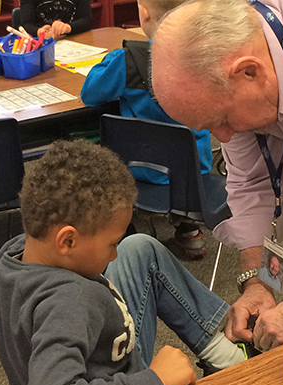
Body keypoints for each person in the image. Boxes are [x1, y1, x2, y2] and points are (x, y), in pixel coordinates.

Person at [0, 139, 248, 385]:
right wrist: (155, 382)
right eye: (111, 244)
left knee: (140, 249)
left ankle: (224, 357)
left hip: (108, 361)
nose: (114, 255)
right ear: (67, 240)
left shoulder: (13, 256)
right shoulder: (68, 303)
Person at [151, 0, 283, 352]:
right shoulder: (251, 65)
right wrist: (259, 283)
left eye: (221, 120)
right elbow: (253, 184)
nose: (223, 138)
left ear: (249, 71)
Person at [81, 0, 213, 259]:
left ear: (143, 13)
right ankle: (189, 230)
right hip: (194, 174)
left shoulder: (126, 60)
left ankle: (123, 228)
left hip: (139, 171)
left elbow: (90, 93)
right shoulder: (205, 56)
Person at [20, 0, 92, 39]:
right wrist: (38, 32)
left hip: (72, 41)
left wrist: (68, 27)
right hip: (40, 45)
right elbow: (26, 24)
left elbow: (87, 20)